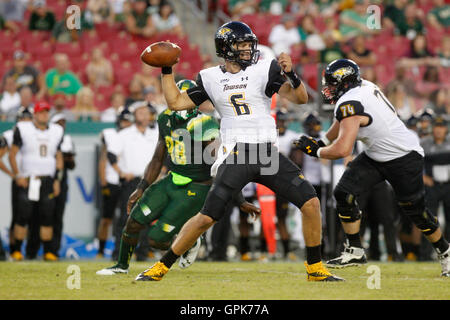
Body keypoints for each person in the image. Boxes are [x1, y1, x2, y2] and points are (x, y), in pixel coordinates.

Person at [135, 21, 343, 282]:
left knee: (311, 203)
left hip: (266, 153)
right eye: (242, 45)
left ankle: (315, 268)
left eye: (248, 44)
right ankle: (161, 267)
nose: (247, 50)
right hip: (236, 152)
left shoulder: (264, 69)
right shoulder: (210, 77)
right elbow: (176, 102)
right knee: (207, 217)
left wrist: (293, 75)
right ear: (226, 48)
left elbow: (300, 98)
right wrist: (167, 71)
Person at [295, 58, 450, 277]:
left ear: (344, 83)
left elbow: (343, 149)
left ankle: (445, 252)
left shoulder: (351, 103)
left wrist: (317, 151)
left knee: (417, 212)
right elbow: (341, 122)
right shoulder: (363, 87)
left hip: (403, 156)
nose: (327, 89)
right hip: (377, 155)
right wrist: (321, 141)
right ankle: (356, 249)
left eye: (331, 83)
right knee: (344, 193)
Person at [96, 79, 253, 274]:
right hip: (172, 179)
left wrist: (238, 197)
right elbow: (157, 158)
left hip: (196, 186)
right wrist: (141, 187)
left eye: (187, 98)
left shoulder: (203, 122)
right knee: (133, 221)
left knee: (156, 239)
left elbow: (219, 162)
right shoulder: (165, 118)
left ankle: (189, 241)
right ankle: (121, 266)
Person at [8, 101, 64, 261]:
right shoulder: (23, 129)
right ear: (35, 114)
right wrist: (18, 175)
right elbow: (12, 154)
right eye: (41, 112)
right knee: (23, 216)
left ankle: (48, 251)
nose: (44, 115)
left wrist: (57, 179)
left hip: (47, 179)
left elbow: (58, 156)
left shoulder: (56, 131)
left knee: (47, 216)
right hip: (29, 179)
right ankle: (17, 250)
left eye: (47, 112)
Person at [105, 101, 159, 261]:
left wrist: (161, 172)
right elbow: (111, 155)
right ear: (134, 115)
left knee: (147, 217)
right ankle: (119, 253)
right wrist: (120, 172)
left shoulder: (155, 134)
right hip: (131, 181)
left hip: (150, 181)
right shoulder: (124, 134)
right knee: (125, 217)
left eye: (146, 112)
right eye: (140, 112)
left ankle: (142, 253)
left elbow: (163, 156)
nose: (144, 115)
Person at [96, 107, 133, 258]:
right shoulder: (110, 135)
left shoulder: (133, 137)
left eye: (128, 121)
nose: (125, 124)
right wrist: (103, 181)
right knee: (106, 218)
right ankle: (100, 250)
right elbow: (104, 158)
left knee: (127, 218)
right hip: (112, 181)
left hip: (127, 181)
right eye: (123, 120)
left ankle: (124, 250)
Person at [2, 107, 33, 259]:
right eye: (24, 118)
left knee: (35, 216)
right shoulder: (10, 134)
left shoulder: (37, 134)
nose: (26, 121)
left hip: (34, 179)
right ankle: (15, 248)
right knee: (18, 216)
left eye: (29, 118)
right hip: (20, 180)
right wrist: (14, 175)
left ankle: (30, 249)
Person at [421, 116, 450, 241]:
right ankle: (425, 254)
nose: (439, 130)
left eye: (441, 127)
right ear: (432, 129)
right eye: (436, 127)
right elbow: (415, 162)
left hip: (448, 185)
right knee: (429, 218)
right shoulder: (424, 143)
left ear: (446, 129)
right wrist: (422, 177)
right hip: (432, 185)